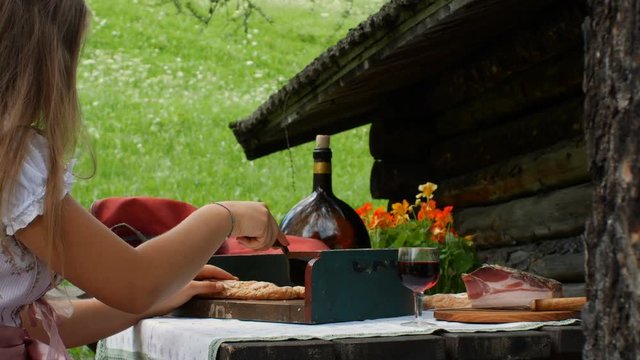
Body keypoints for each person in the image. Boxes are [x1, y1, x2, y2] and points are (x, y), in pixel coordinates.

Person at [0, 1, 288, 358]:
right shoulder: (12, 160)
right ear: (43, 60)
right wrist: (224, 216)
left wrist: (153, 299)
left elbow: (25, 325)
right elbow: (133, 282)